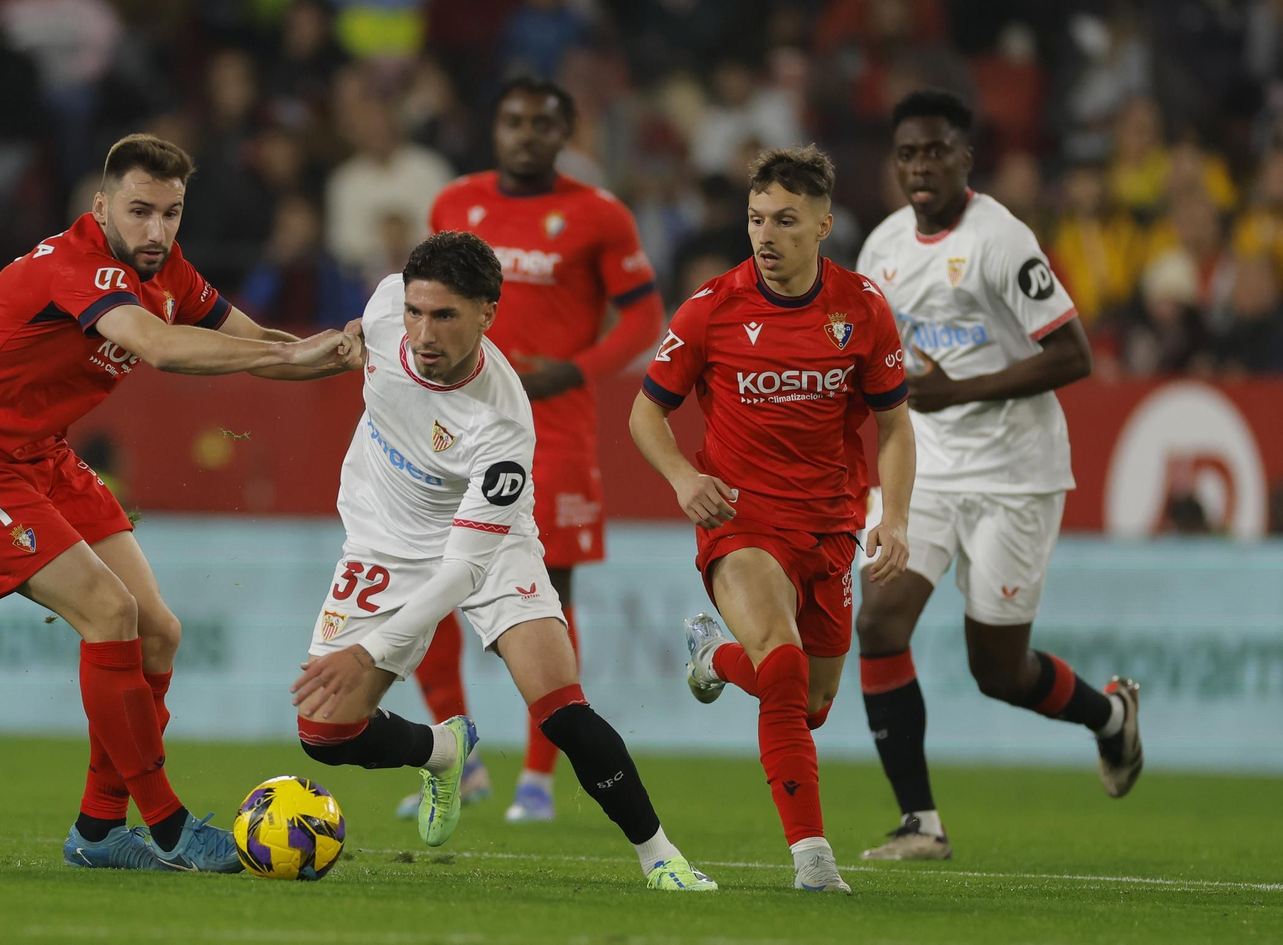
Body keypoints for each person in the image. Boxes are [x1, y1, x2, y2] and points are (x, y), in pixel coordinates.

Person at [0, 134, 359, 873]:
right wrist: (296, 354)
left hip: (35, 449)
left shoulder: (165, 267)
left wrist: (331, 351)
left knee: (159, 632)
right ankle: (169, 825)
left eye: (171, 213)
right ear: (101, 205)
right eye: (140, 211)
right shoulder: (76, 264)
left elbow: (259, 341)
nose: (156, 230)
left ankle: (99, 828)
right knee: (110, 614)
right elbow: (163, 348)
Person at [289, 231, 715, 892]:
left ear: (488, 312)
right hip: (383, 537)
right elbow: (360, 337)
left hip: (485, 542)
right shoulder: (382, 309)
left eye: (446, 316)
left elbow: (461, 572)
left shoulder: (503, 427)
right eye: (416, 312)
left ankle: (660, 855)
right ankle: (443, 751)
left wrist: (370, 650)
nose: (423, 333)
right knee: (324, 733)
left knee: (561, 706)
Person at [853, 90, 1143, 862]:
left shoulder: (1001, 241)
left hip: (1016, 473)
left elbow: (1074, 354)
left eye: (936, 151)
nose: (921, 166)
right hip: (926, 465)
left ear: (964, 157)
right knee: (878, 621)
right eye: (908, 153)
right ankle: (921, 822)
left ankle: (1109, 716)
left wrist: (959, 390)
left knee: (998, 670)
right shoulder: (880, 249)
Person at [629, 145, 917, 893]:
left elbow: (895, 426)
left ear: (824, 223)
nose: (766, 234)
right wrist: (684, 476)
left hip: (830, 527)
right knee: (784, 667)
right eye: (757, 218)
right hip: (741, 523)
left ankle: (712, 658)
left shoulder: (862, 308)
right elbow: (645, 413)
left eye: (786, 220)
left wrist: (896, 517)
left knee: (813, 704)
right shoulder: (710, 308)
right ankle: (813, 860)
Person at [408, 75, 664, 822]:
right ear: (496, 126)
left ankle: (540, 778)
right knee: (426, 585)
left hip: (552, 429)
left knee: (549, 593)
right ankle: (461, 759)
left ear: (565, 134)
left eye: (541, 124)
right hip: (452, 423)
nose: (525, 134)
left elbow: (643, 317)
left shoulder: (599, 215)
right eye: (513, 120)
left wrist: (573, 370)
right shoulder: (456, 203)